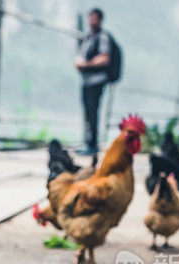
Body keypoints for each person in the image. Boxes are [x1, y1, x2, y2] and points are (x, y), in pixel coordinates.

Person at [75, 7, 111, 155]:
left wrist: (86, 64)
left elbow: (104, 57)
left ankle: (93, 144)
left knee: (93, 111)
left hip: (96, 81)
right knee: (87, 112)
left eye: (94, 18)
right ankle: (89, 141)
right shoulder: (89, 37)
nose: (91, 21)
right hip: (86, 81)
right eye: (90, 18)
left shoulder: (102, 37)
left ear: (100, 20)